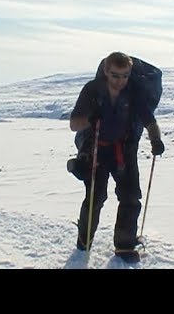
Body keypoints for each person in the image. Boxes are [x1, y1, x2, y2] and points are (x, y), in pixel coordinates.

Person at [67, 52, 165, 263]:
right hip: (96, 150)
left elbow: (149, 120)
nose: (120, 81)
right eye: (115, 75)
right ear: (105, 71)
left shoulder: (133, 92)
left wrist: (155, 139)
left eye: (125, 76)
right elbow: (74, 124)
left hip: (123, 150)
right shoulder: (92, 90)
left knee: (130, 197)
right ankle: (84, 243)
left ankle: (124, 246)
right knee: (95, 198)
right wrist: (90, 119)